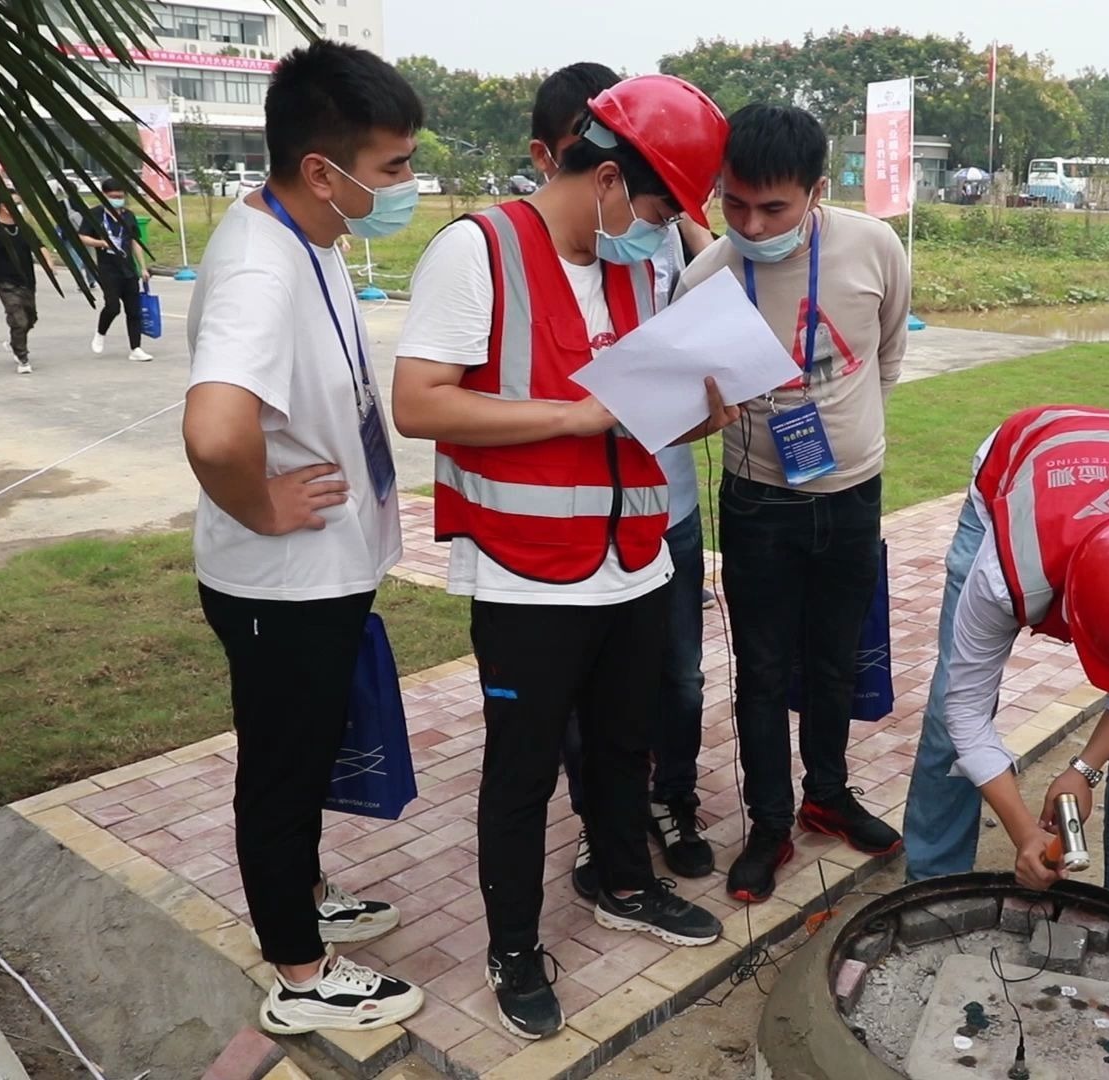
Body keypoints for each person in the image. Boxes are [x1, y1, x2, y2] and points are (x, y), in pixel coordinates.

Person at [390, 74, 733, 1042]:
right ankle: (511, 945)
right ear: (612, 178)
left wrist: (704, 406)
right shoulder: (479, 250)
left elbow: (644, 401)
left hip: (633, 551)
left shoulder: (636, 266)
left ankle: (624, 880)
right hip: (525, 564)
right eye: (661, 205)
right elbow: (420, 401)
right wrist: (573, 416)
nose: (663, 227)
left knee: (626, 742)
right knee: (523, 768)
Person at [180, 41, 426, 1035]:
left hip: (319, 572)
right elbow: (214, 429)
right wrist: (260, 504)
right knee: (282, 768)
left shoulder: (308, 233)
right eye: (396, 167)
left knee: (306, 748)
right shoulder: (258, 271)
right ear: (324, 169)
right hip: (279, 585)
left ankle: (303, 899)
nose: (410, 185)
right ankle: (300, 970)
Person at [677, 104, 911, 904]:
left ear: (816, 190)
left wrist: (850, 439)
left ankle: (829, 793)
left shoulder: (873, 247)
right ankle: (772, 821)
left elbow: (885, 355)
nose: (750, 223)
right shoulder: (704, 278)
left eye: (773, 207)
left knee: (835, 659)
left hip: (851, 495)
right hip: (757, 504)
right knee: (765, 668)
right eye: (732, 204)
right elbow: (688, 401)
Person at [901, 405, 1109, 910]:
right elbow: (965, 711)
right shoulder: (1007, 572)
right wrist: (1023, 832)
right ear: (1069, 616)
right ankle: (932, 887)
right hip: (1012, 467)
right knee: (947, 716)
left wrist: (1085, 768)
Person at [525, 61, 719, 900]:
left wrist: (686, 231)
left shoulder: (659, 238)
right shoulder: (519, 255)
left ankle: (669, 797)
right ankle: (605, 818)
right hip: (576, 519)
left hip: (664, 503)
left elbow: (713, 305)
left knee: (676, 674)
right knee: (584, 693)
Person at [0, 199, 53, 375]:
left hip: (27, 280)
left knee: (30, 318)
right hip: (4, 281)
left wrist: (49, 263)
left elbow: (40, 246)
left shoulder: (24, 228)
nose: (18, 205)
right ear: (3, 206)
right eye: (14, 202)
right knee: (18, 319)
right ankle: (23, 358)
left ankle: (15, 342)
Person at [79, 177, 152, 361]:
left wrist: (143, 268)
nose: (117, 199)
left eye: (120, 196)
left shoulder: (129, 216)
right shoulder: (95, 214)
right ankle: (100, 332)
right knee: (113, 307)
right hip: (107, 268)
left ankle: (136, 348)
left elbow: (135, 242)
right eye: (112, 196)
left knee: (133, 310)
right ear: (104, 195)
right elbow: (82, 237)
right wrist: (101, 243)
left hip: (128, 269)